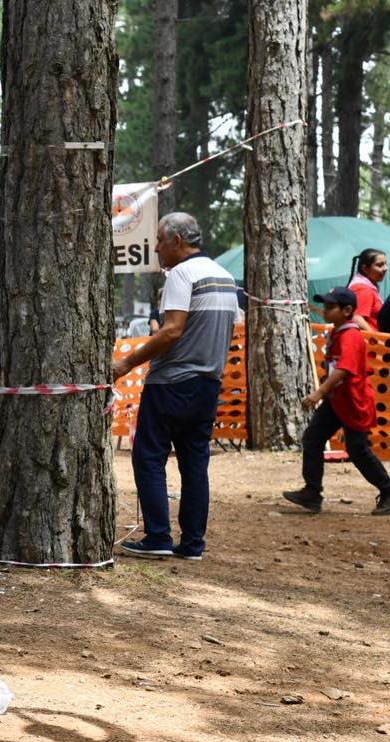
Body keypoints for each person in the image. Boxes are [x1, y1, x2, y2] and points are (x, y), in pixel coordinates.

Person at [112, 212, 239, 559]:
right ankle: (193, 544)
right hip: (208, 384)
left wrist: (125, 363)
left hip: (171, 382)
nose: (156, 248)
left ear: (177, 242)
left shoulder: (182, 274)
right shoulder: (225, 277)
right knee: (194, 464)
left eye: (158, 240)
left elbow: (172, 330)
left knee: (148, 457)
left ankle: (157, 537)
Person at [282, 287, 390, 517]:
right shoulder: (339, 332)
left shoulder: (350, 335)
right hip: (338, 400)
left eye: (331, 307)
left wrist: (319, 392)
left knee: (357, 449)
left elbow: (344, 369)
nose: (325, 311)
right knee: (313, 438)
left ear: (347, 310)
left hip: (352, 401)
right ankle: (312, 492)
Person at [347, 248, 387, 331]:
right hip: (370, 342)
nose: (385, 268)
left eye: (385, 264)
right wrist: (376, 340)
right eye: (380, 265)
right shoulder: (363, 290)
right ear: (365, 269)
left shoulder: (366, 286)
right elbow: (356, 319)